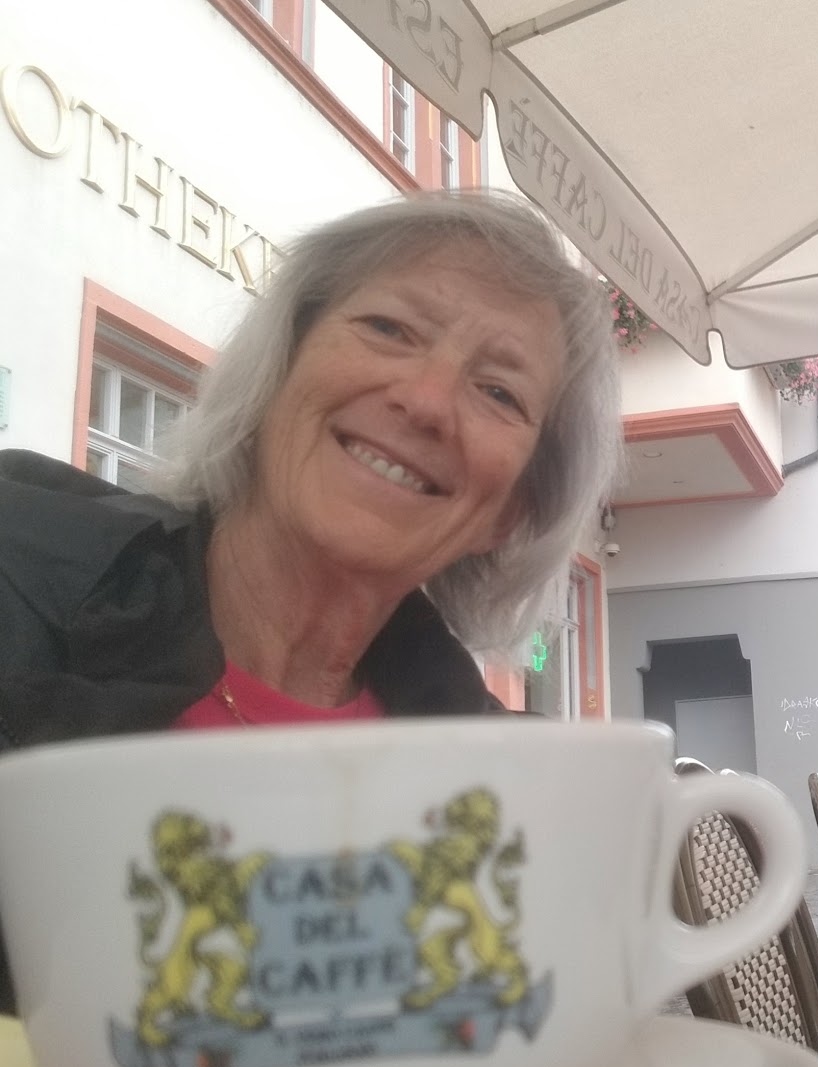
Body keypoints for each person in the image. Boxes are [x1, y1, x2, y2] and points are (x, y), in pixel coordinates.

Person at [0, 190, 623, 1010]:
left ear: (509, 514)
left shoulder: (500, 786)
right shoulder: (18, 575)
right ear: (278, 371)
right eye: (389, 328)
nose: (427, 401)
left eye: (499, 393)